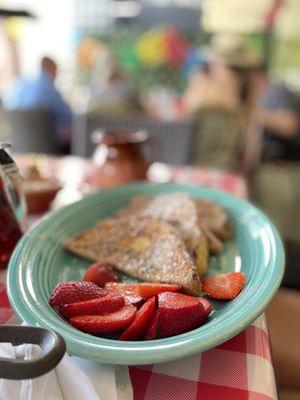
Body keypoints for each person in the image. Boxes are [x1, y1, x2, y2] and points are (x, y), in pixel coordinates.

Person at [5, 56, 72, 146]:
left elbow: (7, 109)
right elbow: (69, 116)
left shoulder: (22, 85)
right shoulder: (49, 88)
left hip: (18, 146)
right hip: (49, 148)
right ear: (52, 69)